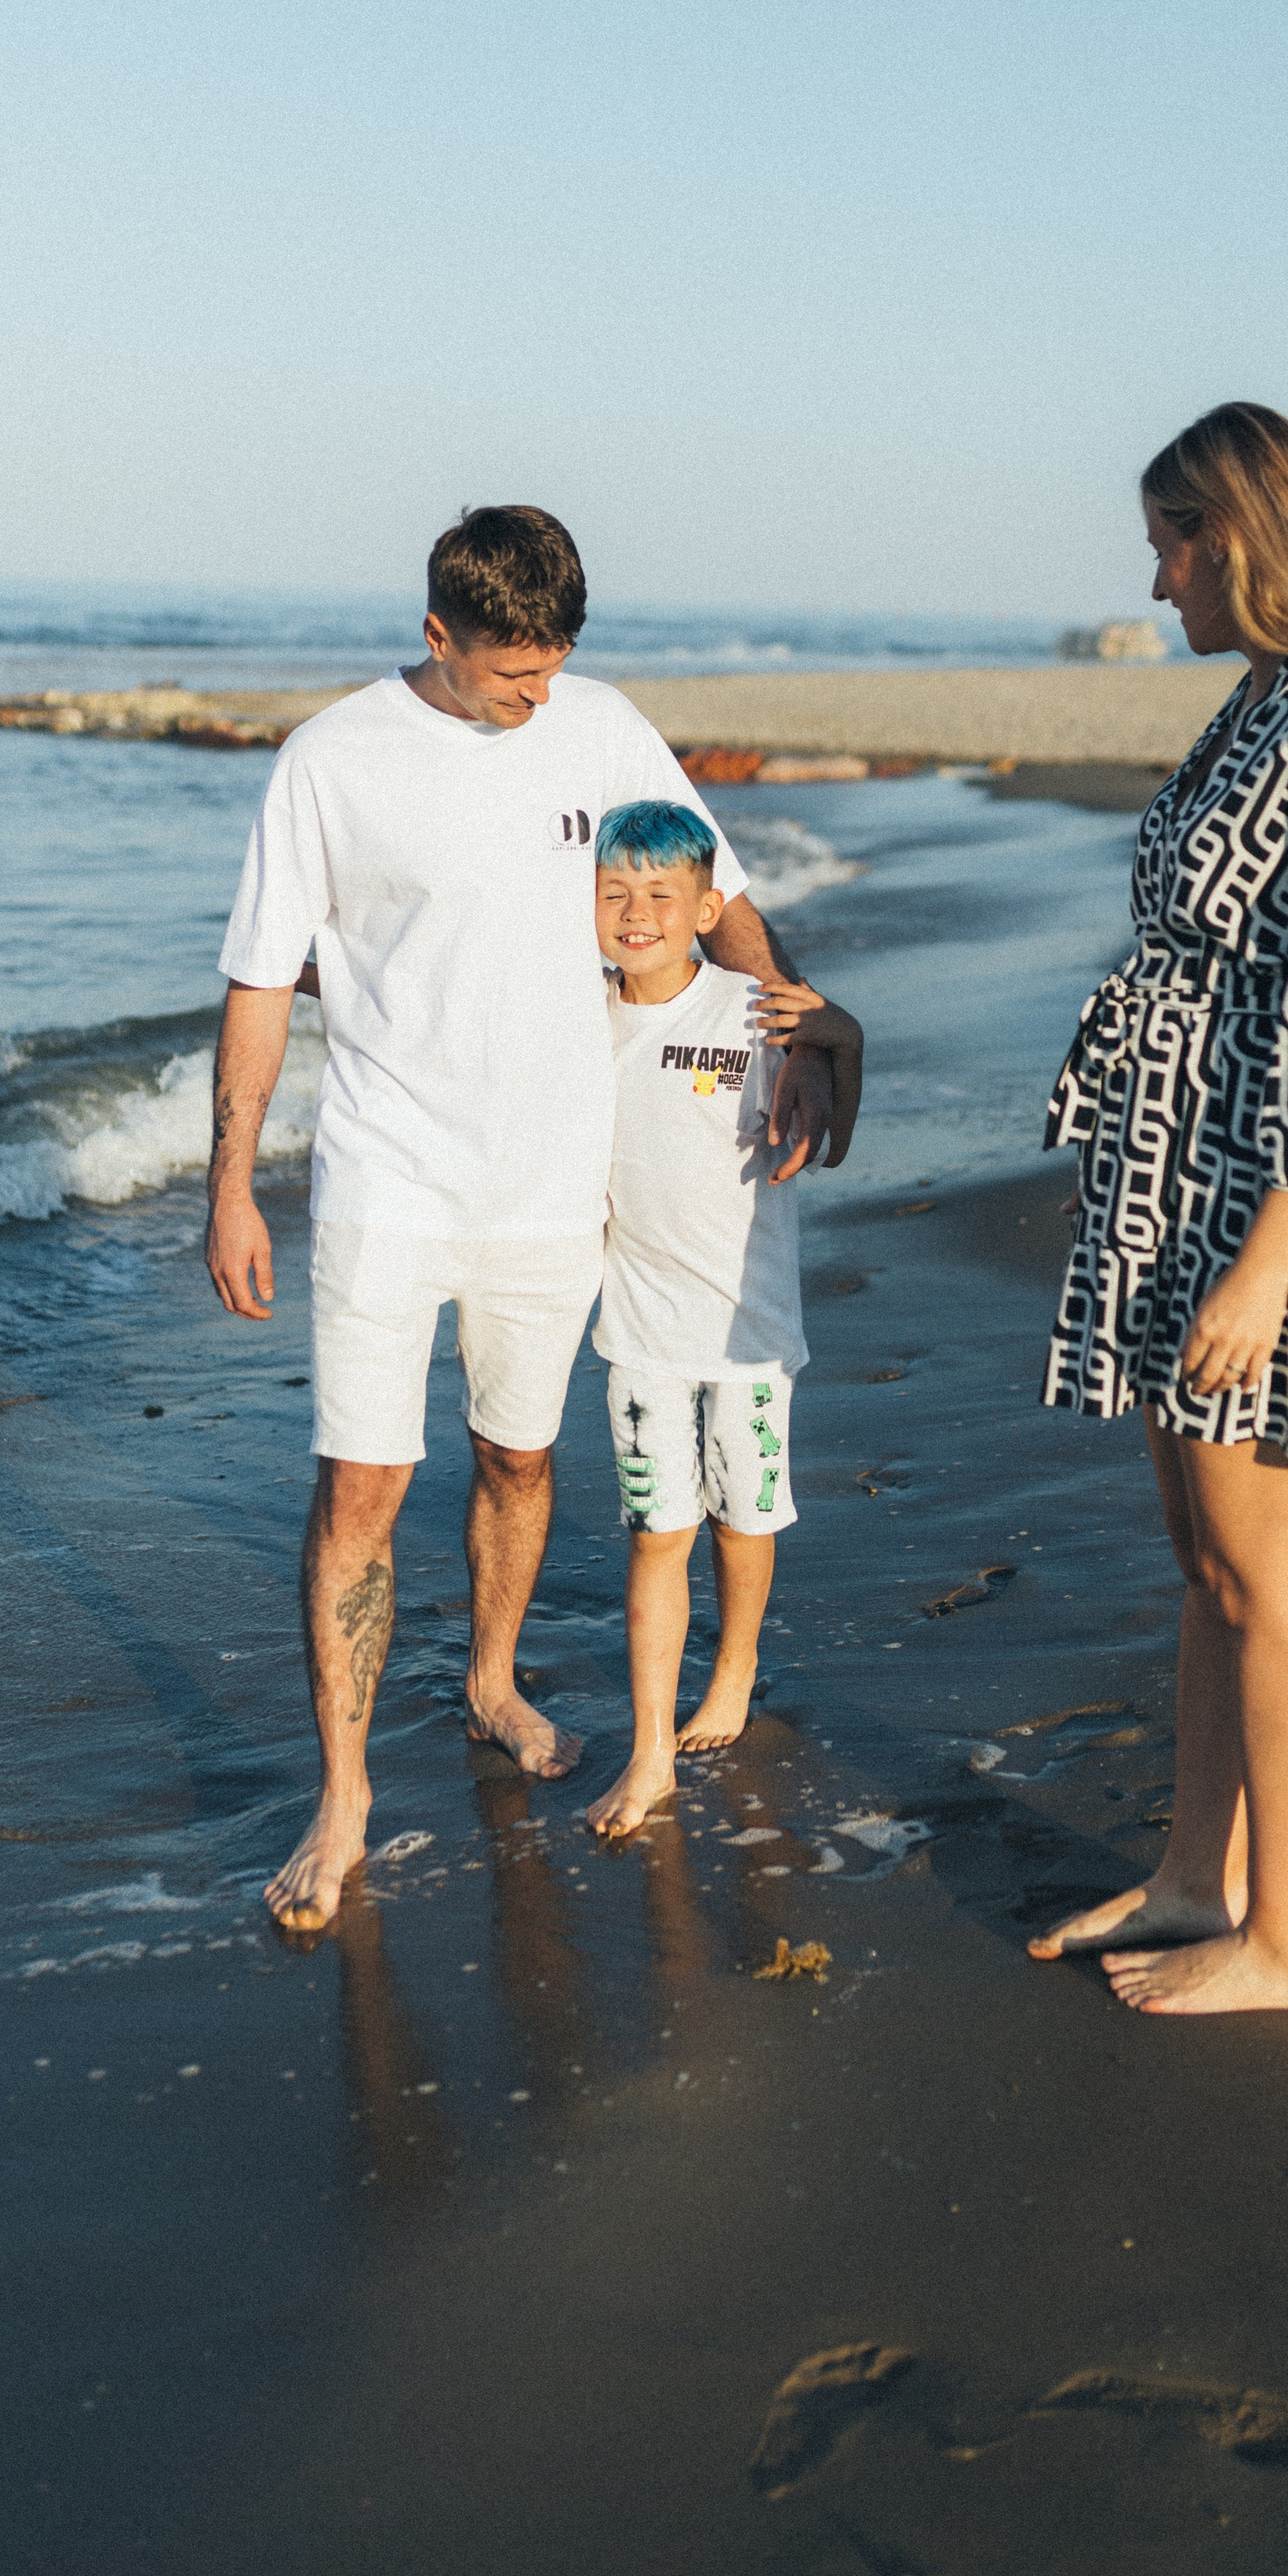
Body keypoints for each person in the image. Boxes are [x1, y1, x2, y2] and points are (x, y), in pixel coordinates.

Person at [205, 505, 844, 1931]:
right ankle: (346, 1793)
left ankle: (491, 1679)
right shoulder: (334, 761)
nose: (536, 697)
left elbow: (716, 899)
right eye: (511, 673)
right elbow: (260, 978)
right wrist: (232, 1181)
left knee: (519, 1455)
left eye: (554, 666)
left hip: (557, 1183)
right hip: (387, 1174)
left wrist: (796, 1028)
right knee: (360, 1484)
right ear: (439, 634)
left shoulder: (604, 728)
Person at [1029, 404, 1288, 2015]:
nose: (1151, 583)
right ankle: (1201, 1874)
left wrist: (1270, 1259)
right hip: (1180, 1178)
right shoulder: (1268, 695)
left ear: (1234, 535)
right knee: (1205, 1566)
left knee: (1273, 1575)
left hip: (1280, 1201)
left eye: (1164, 544)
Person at [577, 801, 864, 1841]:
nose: (637, 913)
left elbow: (843, 1048)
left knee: (745, 1521)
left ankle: (735, 1666)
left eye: (662, 895)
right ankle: (650, 1748)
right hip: (640, 1334)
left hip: (747, 1332)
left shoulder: (755, 1010)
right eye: (615, 895)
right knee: (658, 1535)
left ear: (708, 906)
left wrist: (841, 1041)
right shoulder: (581, 1019)